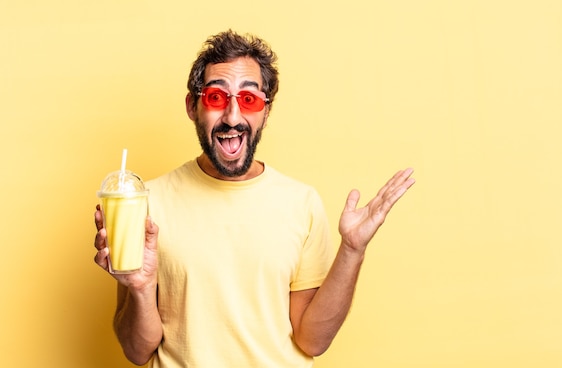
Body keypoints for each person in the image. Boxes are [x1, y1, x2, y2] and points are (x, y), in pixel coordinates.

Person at [93, 29, 415, 367]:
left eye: (249, 100)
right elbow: (137, 351)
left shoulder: (301, 203)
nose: (233, 118)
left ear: (266, 110)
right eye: (217, 98)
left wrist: (352, 251)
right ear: (192, 106)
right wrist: (141, 289)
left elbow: (313, 341)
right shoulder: (146, 203)